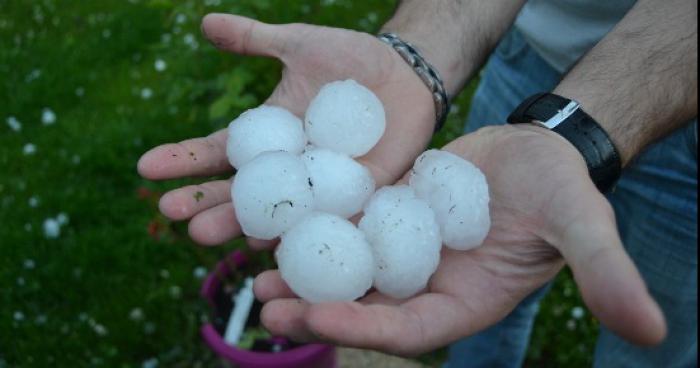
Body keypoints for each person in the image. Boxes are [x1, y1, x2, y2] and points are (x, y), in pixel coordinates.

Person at [137, 0, 697, 366]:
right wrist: (418, 50)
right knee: (479, 317)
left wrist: (585, 129)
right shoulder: (319, 170)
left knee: (647, 343)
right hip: (529, 49)